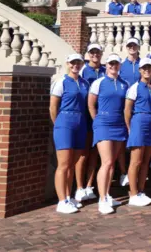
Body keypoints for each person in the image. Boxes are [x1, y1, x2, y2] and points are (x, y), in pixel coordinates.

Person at [88, 54, 129, 214]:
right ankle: (102, 198)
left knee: (111, 162)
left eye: (116, 64)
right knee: (106, 162)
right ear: (106, 65)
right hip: (103, 124)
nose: (113, 66)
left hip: (119, 124)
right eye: (111, 64)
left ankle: (107, 194)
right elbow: (91, 105)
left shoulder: (124, 84)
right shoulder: (99, 83)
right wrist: (97, 121)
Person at [50, 53, 90, 214]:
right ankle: (61, 200)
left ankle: (68, 195)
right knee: (64, 164)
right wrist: (59, 124)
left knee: (73, 163)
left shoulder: (84, 83)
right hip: (65, 122)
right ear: (68, 63)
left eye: (78, 63)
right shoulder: (61, 82)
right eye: (73, 63)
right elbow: (53, 107)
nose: (76, 65)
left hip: (80, 122)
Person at [124, 57, 151, 207]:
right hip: (139, 121)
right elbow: (127, 110)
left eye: (149, 68)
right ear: (140, 70)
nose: (147, 70)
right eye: (144, 68)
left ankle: (140, 191)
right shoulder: (134, 87)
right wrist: (130, 128)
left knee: (146, 160)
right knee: (136, 161)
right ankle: (133, 194)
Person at [75, 43, 105, 204]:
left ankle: (89, 186)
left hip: (102, 117)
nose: (95, 55)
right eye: (92, 52)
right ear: (88, 54)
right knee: (83, 153)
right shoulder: (83, 71)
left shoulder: (105, 70)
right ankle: (79, 187)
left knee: (95, 153)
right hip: (86, 117)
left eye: (97, 52)